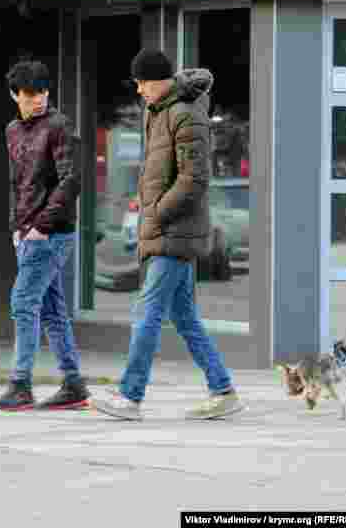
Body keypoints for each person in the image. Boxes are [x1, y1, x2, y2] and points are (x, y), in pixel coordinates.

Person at [93, 49, 246, 421]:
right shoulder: (158, 112)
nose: (140, 90)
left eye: (143, 83)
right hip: (166, 229)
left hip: (176, 232)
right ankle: (223, 389)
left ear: (159, 81)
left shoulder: (185, 113)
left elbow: (194, 179)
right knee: (185, 317)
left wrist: (158, 213)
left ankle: (130, 396)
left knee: (146, 311)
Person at [0, 60, 90, 411]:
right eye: (31, 93)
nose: (39, 99)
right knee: (51, 311)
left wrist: (40, 227)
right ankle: (73, 383)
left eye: (43, 91)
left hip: (51, 233)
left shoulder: (60, 127)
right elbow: (18, 185)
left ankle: (21, 385)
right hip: (27, 233)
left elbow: (71, 180)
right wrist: (18, 228)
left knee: (22, 302)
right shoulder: (12, 131)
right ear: (15, 95)